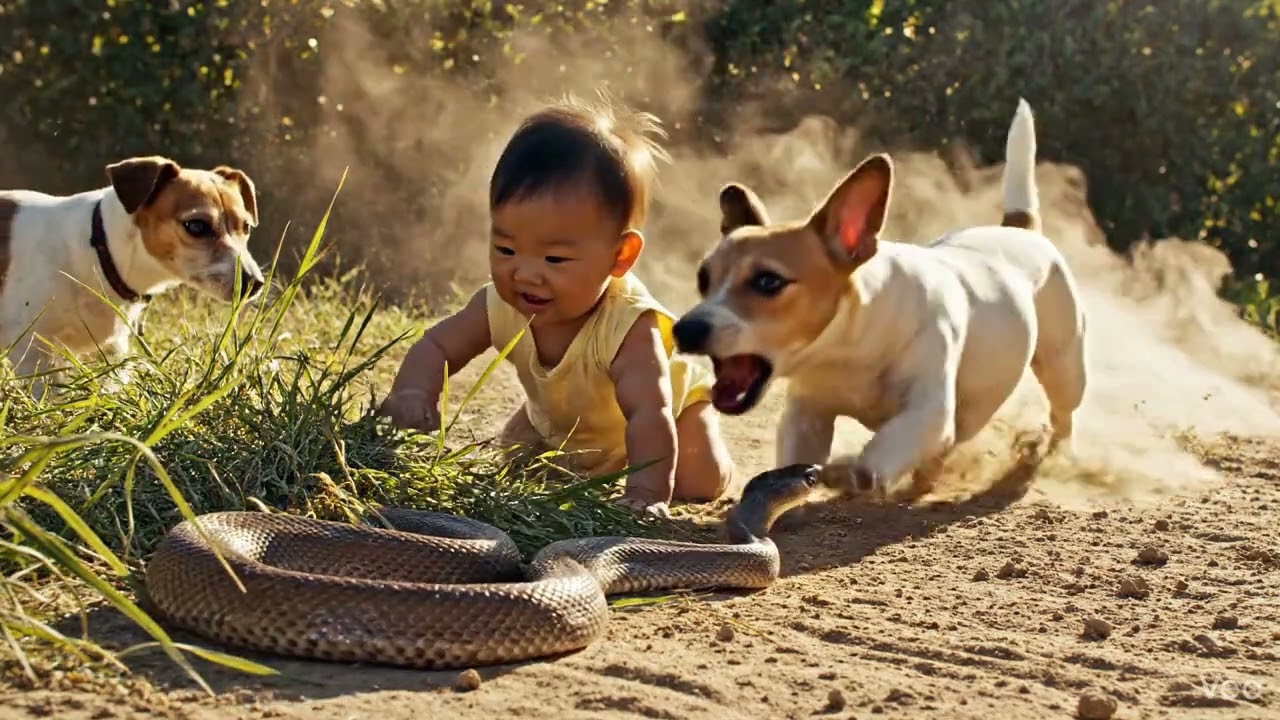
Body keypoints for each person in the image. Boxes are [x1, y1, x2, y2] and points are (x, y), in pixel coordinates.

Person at [377, 91, 734, 517]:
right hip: (565, 426)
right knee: (512, 471)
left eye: (555, 259)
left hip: (668, 417)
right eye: (506, 249)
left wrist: (646, 492)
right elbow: (437, 346)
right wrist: (414, 391)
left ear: (620, 257)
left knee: (697, 480)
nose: (525, 273)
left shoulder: (629, 329)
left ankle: (709, 458)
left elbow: (649, 414)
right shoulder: (499, 305)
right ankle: (542, 423)